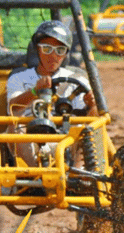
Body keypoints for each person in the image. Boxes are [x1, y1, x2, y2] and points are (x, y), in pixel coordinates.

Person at [6, 20, 97, 166]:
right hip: (29, 140)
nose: (53, 56)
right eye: (47, 49)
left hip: (66, 140)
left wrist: (92, 106)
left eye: (60, 50)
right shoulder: (19, 77)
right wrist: (35, 91)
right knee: (15, 122)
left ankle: (78, 179)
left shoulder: (77, 80)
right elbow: (13, 107)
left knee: (89, 130)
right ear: (37, 49)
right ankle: (32, 176)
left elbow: (91, 121)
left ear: (66, 53)